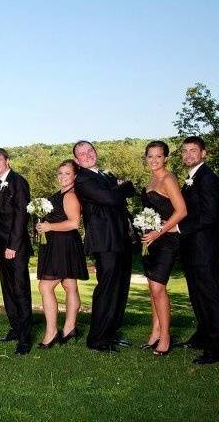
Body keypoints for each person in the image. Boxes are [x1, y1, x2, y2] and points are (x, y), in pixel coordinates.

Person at [73, 140, 135, 352]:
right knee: (107, 288)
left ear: (95, 152)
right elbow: (110, 198)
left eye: (90, 150)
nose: (87, 154)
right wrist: (121, 187)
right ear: (77, 160)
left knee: (120, 287)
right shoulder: (82, 179)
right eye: (82, 153)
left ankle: (111, 332)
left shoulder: (104, 175)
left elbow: (129, 191)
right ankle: (97, 338)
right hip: (104, 240)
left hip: (121, 238)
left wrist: (121, 188)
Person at [176, 136, 219, 364]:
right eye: (185, 151)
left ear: (203, 153)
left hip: (204, 248)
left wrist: (177, 227)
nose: (188, 155)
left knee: (210, 296)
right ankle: (202, 336)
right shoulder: (191, 178)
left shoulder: (207, 178)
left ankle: (215, 347)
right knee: (197, 295)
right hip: (191, 248)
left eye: (193, 151)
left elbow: (209, 216)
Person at [0, 148, 33, 355]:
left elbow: (21, 217)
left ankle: (25, 338)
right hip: (1, 246)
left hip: (15, 246)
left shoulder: (18, 181)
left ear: (7, 160)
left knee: (20, 289)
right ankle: (15, 328)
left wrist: (13, 246)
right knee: (8, 289)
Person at [137, 141, 187, 356]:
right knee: (152, 288)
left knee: (158, 288)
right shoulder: (152, 178)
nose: (154, 160)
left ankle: (165, 336)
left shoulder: (168, 178)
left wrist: (160, 231)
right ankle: (155, 331)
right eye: (150, 156)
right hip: (151, 240)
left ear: (165, 158)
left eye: (159, 156)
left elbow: (182, 211)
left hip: (166, 239)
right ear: (146, 158)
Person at [34, 160, 89, 349]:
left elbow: (74, 223)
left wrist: (49, 226)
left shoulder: (71, 196)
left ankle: (51, 332)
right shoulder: (60, 194)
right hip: (58, 244)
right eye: (60, 173)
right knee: (69, 284)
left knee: (45, 287)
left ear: (75, 176)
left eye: (67, 173)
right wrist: (43, 225)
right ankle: (69, 328)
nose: (62, 177)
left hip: (63, 244)